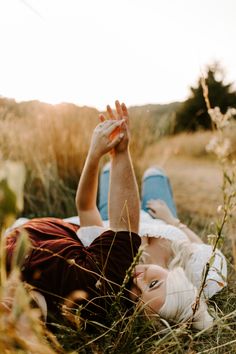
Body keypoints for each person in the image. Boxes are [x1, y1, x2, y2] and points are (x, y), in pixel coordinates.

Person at [5, 101, 227, 330]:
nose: (138, 280)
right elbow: (205, 248)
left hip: (111, 213)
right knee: (155, 173)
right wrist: (172, 220)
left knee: (109, 170)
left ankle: (113, 167)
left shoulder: (112, 269)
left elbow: (87, 209)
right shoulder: (199, 274)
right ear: (177, 280)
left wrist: (102, 156)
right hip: (159, 214)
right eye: (153, 283)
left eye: (136, 295)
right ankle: (145, 171)